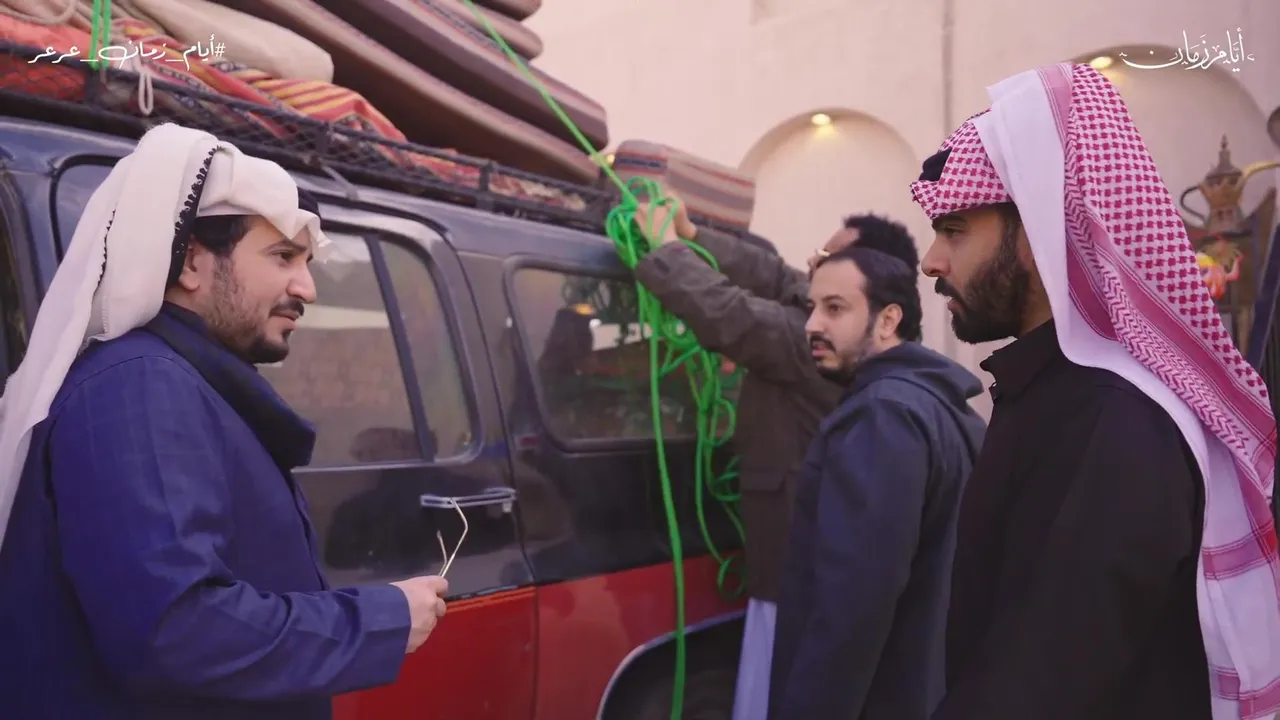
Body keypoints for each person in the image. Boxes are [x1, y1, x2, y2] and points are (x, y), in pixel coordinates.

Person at [0, 123, 449, 720]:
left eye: (307, 261)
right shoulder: (138, 388)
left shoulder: (181, 382)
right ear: (191, 261)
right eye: (283, 256)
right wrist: (380, 620)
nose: (307, 287)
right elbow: (174, 630)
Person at [912, 63, 1280, 720]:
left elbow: (1034, 689)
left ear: (1039, 229)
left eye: (955, 230)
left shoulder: (1113, 420)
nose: (932, 261)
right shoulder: (1060, 394)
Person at [631, 199, 908, 720]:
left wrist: (668, 249)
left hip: (794, 571)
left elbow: (728, 314)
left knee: (776, 695)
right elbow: (779, 277)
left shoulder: (815, 343)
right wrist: (696, 235)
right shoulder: (852, 321)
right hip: (794, 559)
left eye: (828, 257)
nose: (812, 261)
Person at [766, 236, 985, 720]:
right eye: (812, 308)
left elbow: (851, 608)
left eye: (835, 308)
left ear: (888, 320)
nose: (812, 324)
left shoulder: (882, 416)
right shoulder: (939, 407)